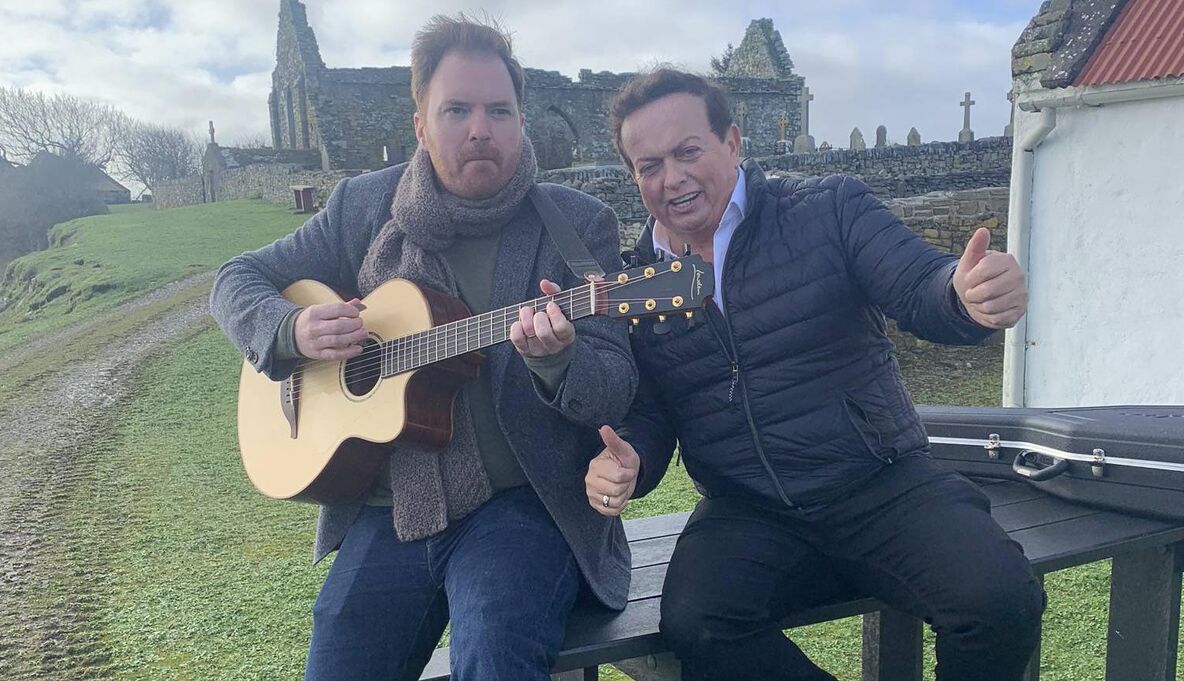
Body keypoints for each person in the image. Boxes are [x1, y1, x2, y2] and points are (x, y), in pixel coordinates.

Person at [210, 16, 637, 681]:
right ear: (419, 124)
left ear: (522, 119)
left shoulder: (577, 225)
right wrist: (290, 332)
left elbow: (615, 386)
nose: (479, 128)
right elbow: (236, 279)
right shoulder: (363, 207)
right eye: (457, 109)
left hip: (521, 506)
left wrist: (559, 362)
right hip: (391, 508)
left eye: (499, 110)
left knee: (496, 652)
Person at [585, 68, 1045, 681]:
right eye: (649, 166)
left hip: (878, 482)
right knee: (701, 625)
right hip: (748, 508)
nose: (671, 178)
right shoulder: (634, 282)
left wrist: (966, 295)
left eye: (687, 151)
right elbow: (652, 411)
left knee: (1001, 599)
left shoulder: (828, 209)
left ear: (733, 143)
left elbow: (919, 285)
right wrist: (630, 461)